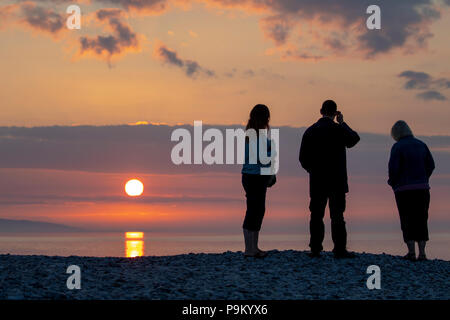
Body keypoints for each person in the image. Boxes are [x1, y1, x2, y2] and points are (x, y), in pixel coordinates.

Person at [299, 100, 360, 258]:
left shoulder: (311, 131)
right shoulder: (338, 130)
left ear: (321, 111)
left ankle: (315, 248)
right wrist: (343, 123)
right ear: (335, 113)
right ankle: (339, 249)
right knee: (338, 215)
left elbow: (303, 158)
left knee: (316, 215)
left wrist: (312, 170)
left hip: (317, 180)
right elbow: (354, 139)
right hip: (337, 180)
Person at [388, 120, 435, 262]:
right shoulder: (421, 145)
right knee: (421, 219)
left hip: (404, 189)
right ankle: (422, 253)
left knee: (407, 219)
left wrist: (393, 182)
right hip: (422, 188)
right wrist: (423, 178)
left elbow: (393, 169)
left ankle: (411, 252)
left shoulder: (397, 147)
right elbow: (431, 165)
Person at [241, 104, 276, 258]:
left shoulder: (254, 134)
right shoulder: (255, 135)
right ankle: (249, 249)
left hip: (254, 176)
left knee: (258, 210)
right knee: (254, 210)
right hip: (254, 176)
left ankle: (254, 247)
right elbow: (263, 158)